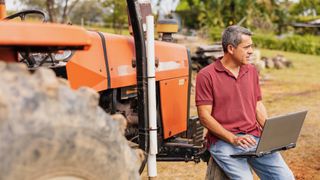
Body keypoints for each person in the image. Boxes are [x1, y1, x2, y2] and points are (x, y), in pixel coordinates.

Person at [195, 25, 294, 180]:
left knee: (285, 177)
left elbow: (257, 105)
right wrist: (233, 138)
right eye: (246, 47)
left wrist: (270, 133)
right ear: (231, 48)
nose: (251, 51)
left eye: (251, 46)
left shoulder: (251, 71)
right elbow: (204, 116)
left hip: (253, 137)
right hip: (223, 141)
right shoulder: (206, 75)